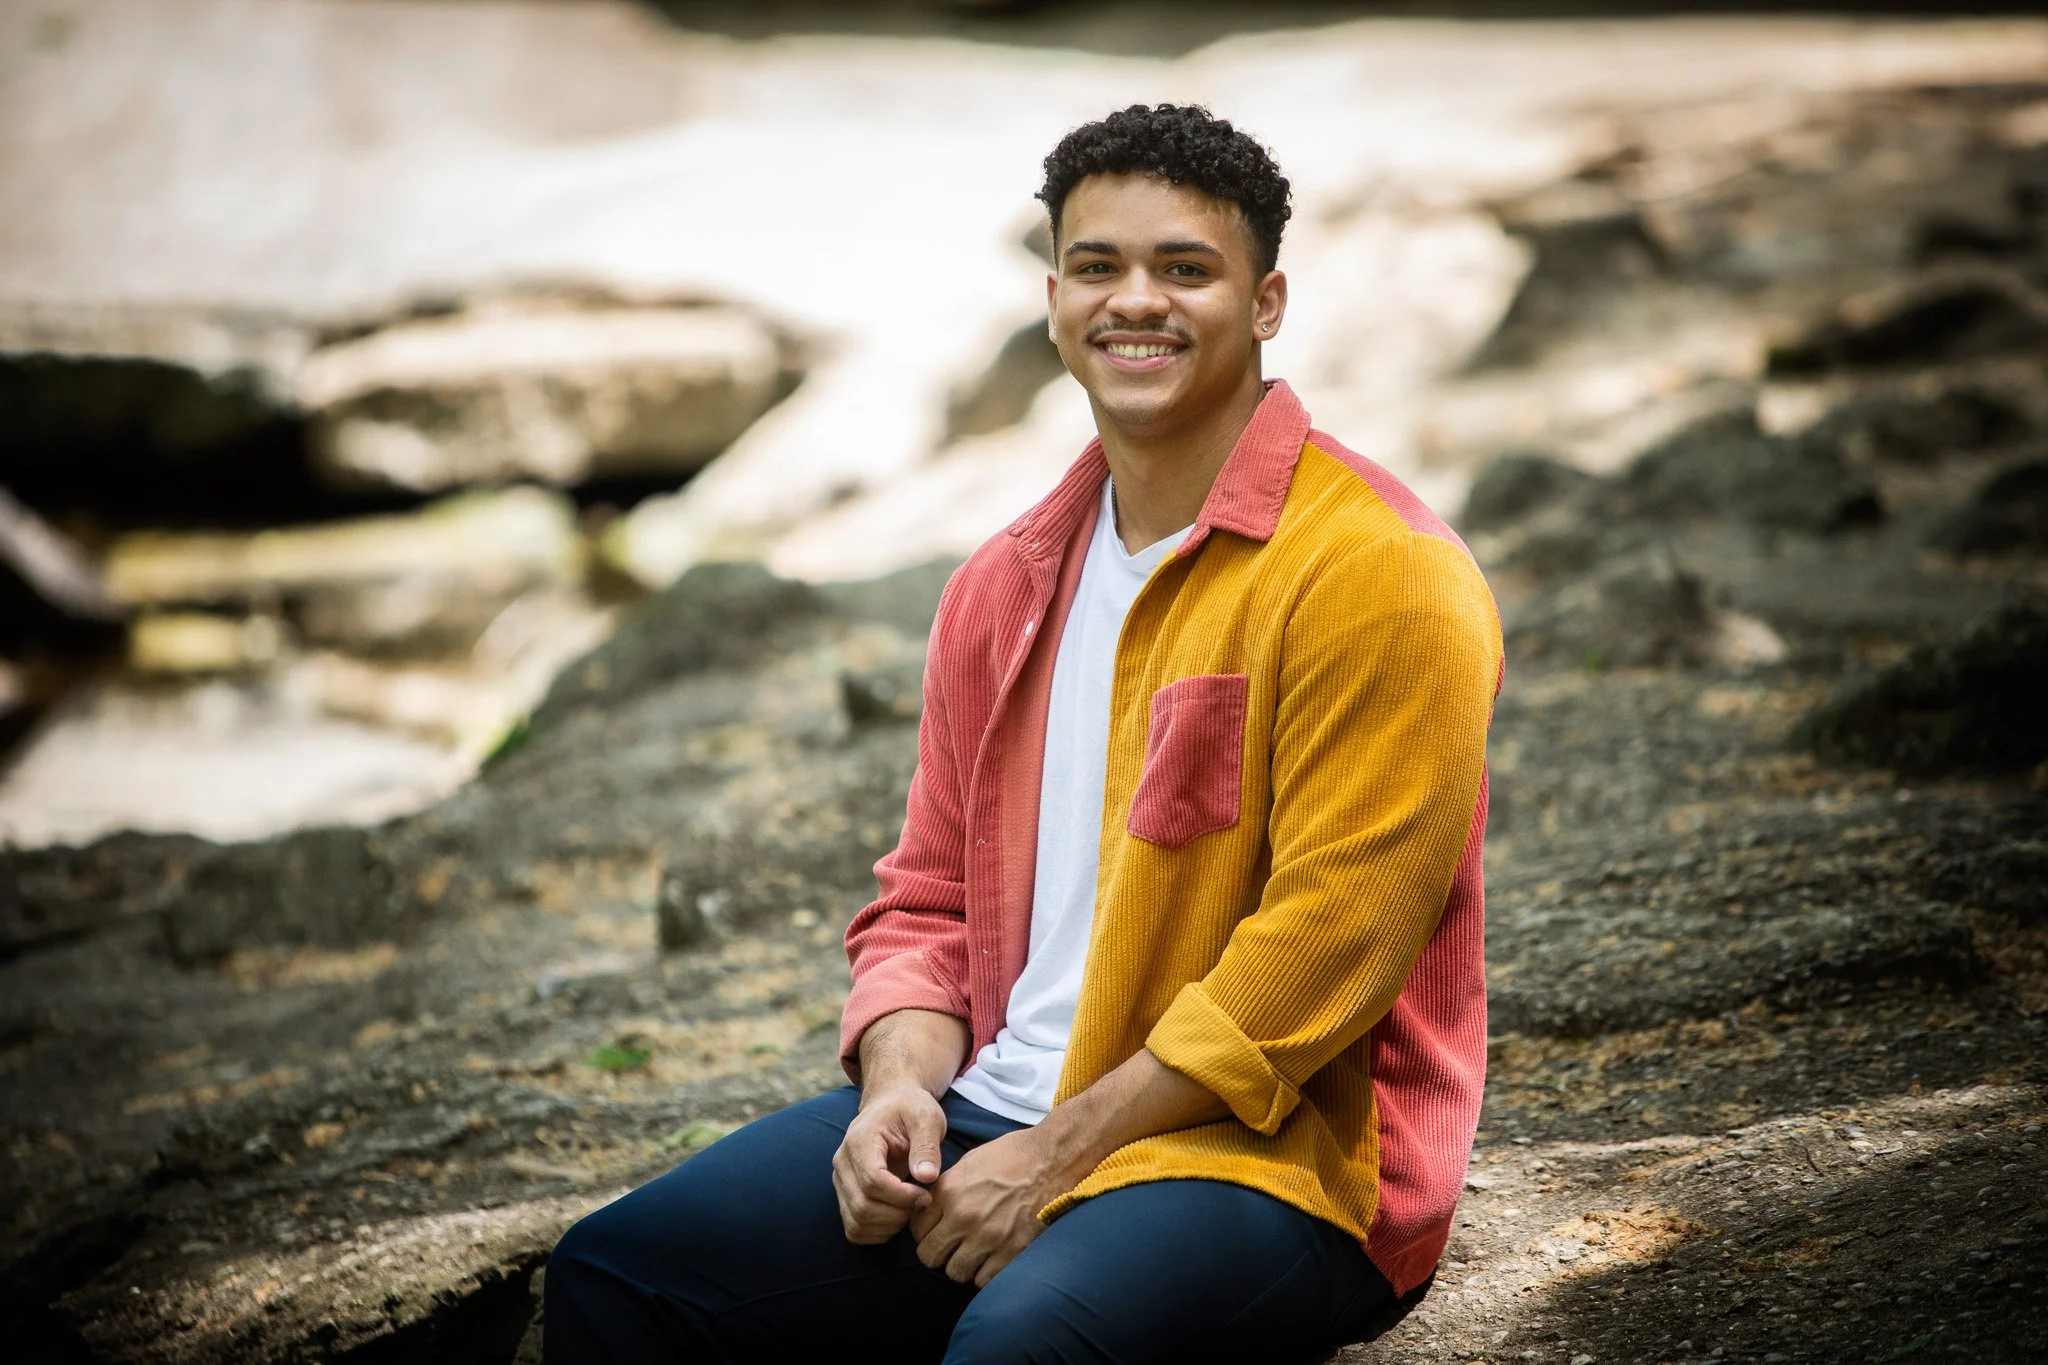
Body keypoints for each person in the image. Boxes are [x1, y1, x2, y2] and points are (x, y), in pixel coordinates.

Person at [545, 102, 1502, 1365]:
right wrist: (895, 1089)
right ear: (1053, 297)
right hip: (983, 1103)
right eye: (1097, 267)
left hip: (1274, 1157)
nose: (1133, 302)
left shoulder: (1381, 575)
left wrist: (1051, 1160)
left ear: (1266, 303)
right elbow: (926, 901)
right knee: (618, 1275)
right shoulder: (1005, 582)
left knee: (1020, 1350)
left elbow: (1321, 951)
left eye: (1184, 269)